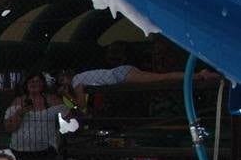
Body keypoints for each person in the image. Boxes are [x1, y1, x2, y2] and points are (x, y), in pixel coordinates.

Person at [71, 55, 217, 114]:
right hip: (121, 73)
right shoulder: (80, 77)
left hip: (120, 76)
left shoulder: (76, 81)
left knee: (161, 78)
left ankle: (199, 75)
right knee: (160, 78)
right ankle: (198, 75)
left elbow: (82, 105)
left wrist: (67, 95)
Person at [5, 72, 62, 160]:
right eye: (31, 81)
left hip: (44, 151)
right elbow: (8, 127)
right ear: (26, 85)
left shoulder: (52, 100)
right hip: (20, 151)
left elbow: (69, 115)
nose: (34, 84)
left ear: (43, 84)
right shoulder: (18, 101)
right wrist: (20, 113)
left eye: (38, 81)